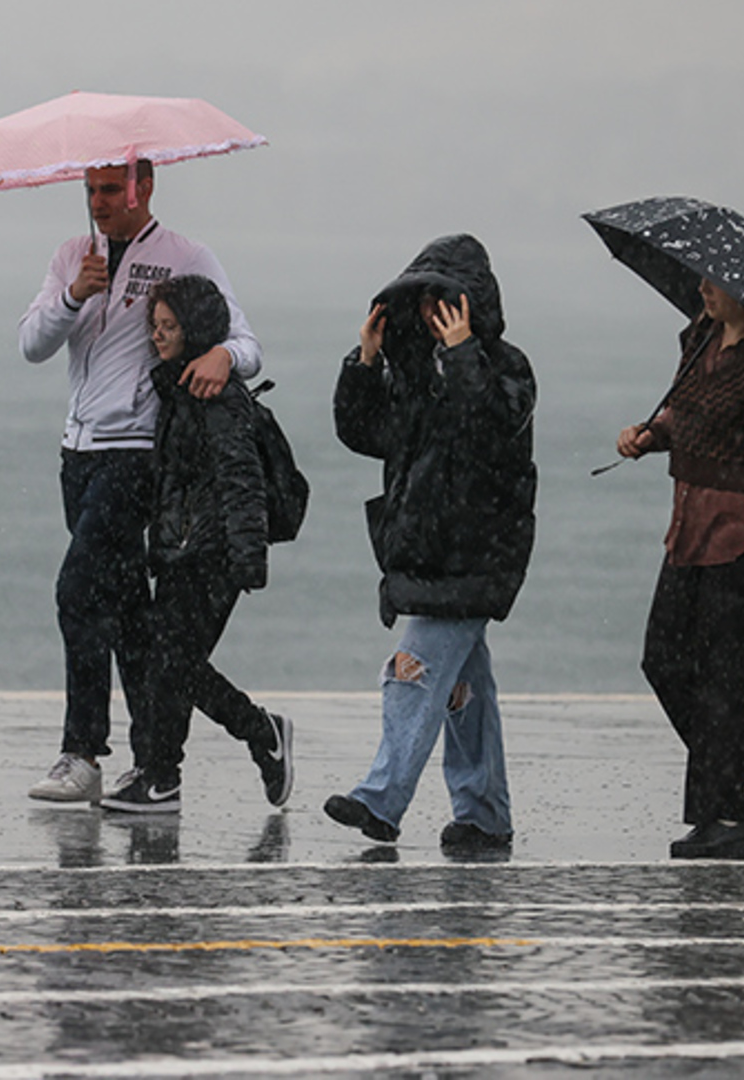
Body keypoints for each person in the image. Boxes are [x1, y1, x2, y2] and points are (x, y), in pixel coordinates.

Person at [17, 161, 262, 803]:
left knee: (76, 590)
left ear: (143, 188)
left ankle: (82, 752)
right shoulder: (73, 255)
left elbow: (247, 341)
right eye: (90, 191)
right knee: (131, 619)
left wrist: (223, 355)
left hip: (135, 455)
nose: (98, 203)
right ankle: (162, 767)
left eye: (110, 190)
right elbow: (31, 344)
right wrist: (74, 296)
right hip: (78, 454)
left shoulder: (186, 255)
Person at [323, 234, 536, 854]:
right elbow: (365, 434)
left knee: (410, 672)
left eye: (445, 301)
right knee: (465, 693)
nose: (432, 314)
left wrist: (464, 352)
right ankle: (485, 814)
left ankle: (380, 799)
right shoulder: (412, 374)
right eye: (422, 302)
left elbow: (493, 428)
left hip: (476, 551)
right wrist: (363, 364)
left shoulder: (507, 366)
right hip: (424, 551)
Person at [615, 277, 744, 861]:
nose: (703, 288)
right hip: (688, 530)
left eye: (716, 282)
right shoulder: (701, 339)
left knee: (725, 679)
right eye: (702, 277)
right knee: (663, 661)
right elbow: (690, 414)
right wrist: (651, 435)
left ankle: (723, 818)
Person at [97, 275, 293, 814]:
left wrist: (247, 557)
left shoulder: (215, 395)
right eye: (154, 326)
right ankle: (167, 773)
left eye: (170, 327)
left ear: (196, 329)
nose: (158, 336)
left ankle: (226, 746)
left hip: (213, 554)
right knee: (170, 664)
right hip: (182, 550)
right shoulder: (179, 387)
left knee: (172, 663)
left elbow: (241, 476)